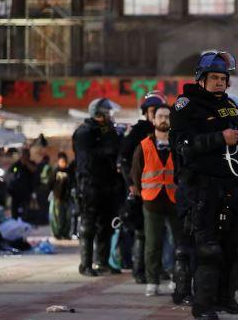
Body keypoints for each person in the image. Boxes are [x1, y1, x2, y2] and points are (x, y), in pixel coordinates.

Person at [170, 49, 238, 320]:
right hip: (201, 188)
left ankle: (226, 299)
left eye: (223, 78)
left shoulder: (229, 104)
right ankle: (203, 305)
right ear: (201, 79)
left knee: (234, 246)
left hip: (232, 186)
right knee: (208, 248)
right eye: (214, 77)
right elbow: (182, 146)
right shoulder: (186, 105)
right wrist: (219, 138)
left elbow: (236, 135)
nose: (219, 82)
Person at [130, 104, 181, 296]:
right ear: (153, 120)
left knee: (178, 243)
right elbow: (135, 173)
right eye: (160, 116)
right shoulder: (143, 146)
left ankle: (178, 279)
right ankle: (152, 281)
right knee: (153, 244)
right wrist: (142, 192)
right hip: (151, 201)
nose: (163, 120)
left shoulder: (178, 144)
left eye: (167, 117)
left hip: (174, 200)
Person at [118, 90, 168, 284]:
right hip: (141, 190)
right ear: (146, 112)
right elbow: (123, 159)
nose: (157, 115)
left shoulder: (167, 132)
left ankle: (157, 269)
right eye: (153, 111)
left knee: (159, 233)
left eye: (161, 112)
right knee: (141, 232)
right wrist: (131, 184)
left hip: (163, 192)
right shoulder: (139, 131)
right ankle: (139, 270)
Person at [72, 98, 123, 277]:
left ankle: (102, 262)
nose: (110, 116)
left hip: (108, 184)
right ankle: (85, 264)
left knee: (107, 226)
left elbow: (117, 151)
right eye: (107, 112)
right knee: (88, 225)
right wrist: (108, 148)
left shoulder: (109, 130)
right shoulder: (84, 132)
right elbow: (86, 158)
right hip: (89, 184)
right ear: (98, 113)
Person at [7, 148, 37, 220]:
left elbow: (34, 170)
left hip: (26, 192)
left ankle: (24, 222)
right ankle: (15, 222)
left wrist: (26, 163)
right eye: (23, 154)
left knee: (25, 211)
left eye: (26, 155)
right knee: (14, 211)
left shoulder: (31, 163)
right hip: (16, 192)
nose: (24, 156)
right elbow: (11, 172)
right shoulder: (17, 164)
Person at [48, 152, 73, 239]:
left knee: (67, 216)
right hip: (57, 198)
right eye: (61, 161)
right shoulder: (55, 171)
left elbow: (72, 183)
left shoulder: (69, 171)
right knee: (57, 217)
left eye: (64, 161)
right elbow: (50, 184)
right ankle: (57, 233)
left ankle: (65, 233)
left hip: (67, 197)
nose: (63, 163)